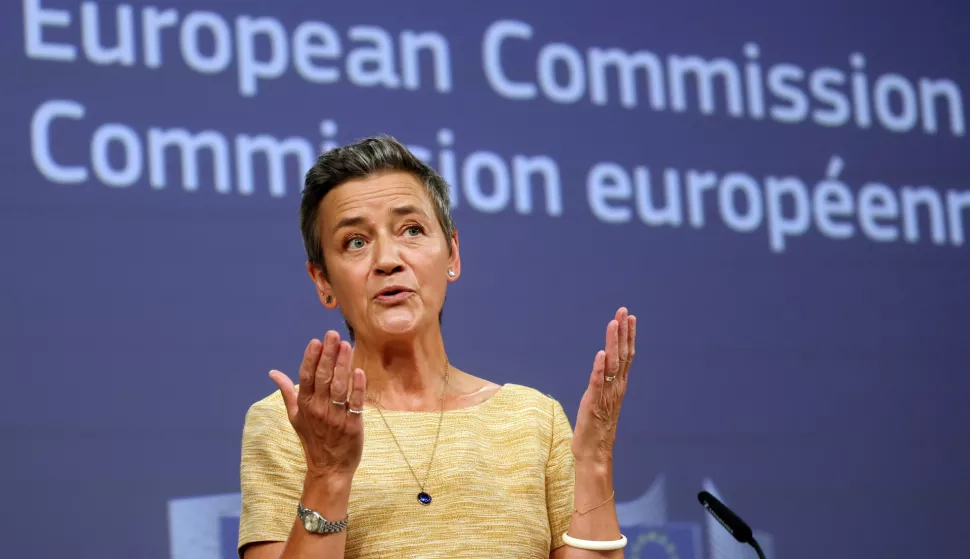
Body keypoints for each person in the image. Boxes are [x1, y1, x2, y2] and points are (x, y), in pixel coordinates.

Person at [237, 135, 637, 559]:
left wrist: (594, 461)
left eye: (412, 230)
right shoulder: (294, 424)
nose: (388, 259)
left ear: (452, 254)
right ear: (323, 281)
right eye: (356, 241)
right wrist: (328, 473)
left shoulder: (535, 421)